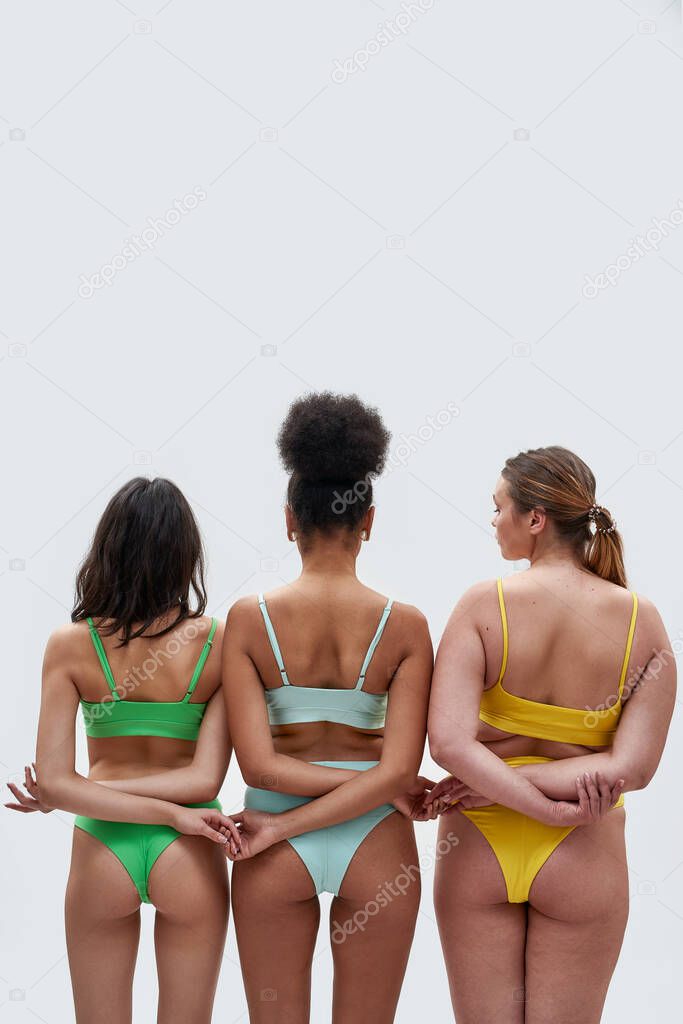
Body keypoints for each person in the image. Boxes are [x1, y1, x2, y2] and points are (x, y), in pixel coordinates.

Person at [426, 446, 676, 1023]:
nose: (493, 522)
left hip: (478, 843)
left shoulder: (483, 604)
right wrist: (545, 795)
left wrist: (502, 787)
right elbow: (632, 770)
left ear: (535, 519)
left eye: (498, 508)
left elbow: (448, 744)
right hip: (584, 844)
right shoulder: (643, 620)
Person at [222, 392, 435, 1023]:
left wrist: (296, 816)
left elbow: (259, 769)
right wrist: (381, 785)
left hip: (270, 838)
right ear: (369, 520)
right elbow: (398, 775)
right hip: (377, 839)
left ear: (289, 520)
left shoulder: (248, 620)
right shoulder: (407, 627)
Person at [6, 477, 238, 1024]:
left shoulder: (71, 645)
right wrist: (170, 815)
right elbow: (204, 782)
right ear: (187, 555)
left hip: (102, 846)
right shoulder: (220, 642)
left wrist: (73, 790)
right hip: (193, 846)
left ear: (108, 549)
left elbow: (60, 784)